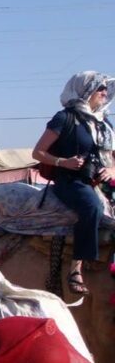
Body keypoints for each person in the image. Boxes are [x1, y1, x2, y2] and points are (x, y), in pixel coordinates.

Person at [32, 71, 115, 295]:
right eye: (100, 88)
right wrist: (63, 162)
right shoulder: (65, 118)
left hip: (102, 180)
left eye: (106, 88)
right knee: (92, 207)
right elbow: (38, 152)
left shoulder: (103, 123)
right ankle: (75, 268)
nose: (105, 93)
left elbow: (113, 156)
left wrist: (111, 169)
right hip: (71, 180)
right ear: (85, 90)